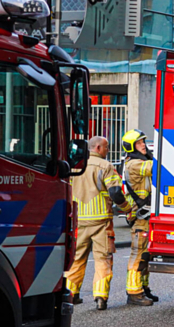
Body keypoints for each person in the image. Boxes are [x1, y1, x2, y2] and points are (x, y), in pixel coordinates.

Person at [64, 136, 133, 311]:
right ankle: (100, 297)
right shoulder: (106, 166)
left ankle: (72, 294)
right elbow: (116, 193)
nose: (108, 150)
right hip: (101, 222)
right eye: (107, 147)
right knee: (103, 259)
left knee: (76, 259)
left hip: (78, 221)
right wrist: (126, 208)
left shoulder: (75, 165)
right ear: (99, 147)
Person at [121, 129, 157, 305]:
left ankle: (143, 288)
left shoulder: (140, 160)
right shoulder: (134, 164)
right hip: (140, 218)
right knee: (138, 254)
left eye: (143, 141)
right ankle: (134, 293)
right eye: (139, 143)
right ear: (131, 147)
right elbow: (156, 168)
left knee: (146, 255)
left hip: (146, 216)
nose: (143, 145)